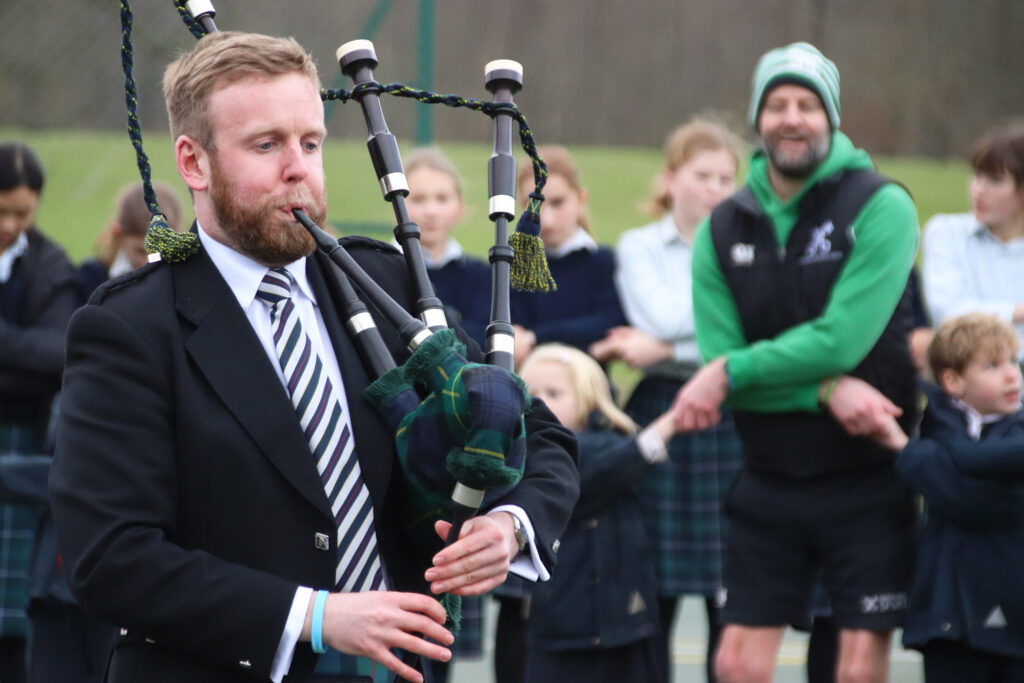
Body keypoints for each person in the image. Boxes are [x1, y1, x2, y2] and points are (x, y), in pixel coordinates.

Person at [48, 31, 578, 683]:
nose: (298, 167)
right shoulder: (129, 327)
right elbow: (111, 556)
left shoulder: (384, 284)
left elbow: (541, 434)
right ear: (194, 163)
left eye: (310, 142)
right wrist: (315, 614)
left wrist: (509, 523)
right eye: (266, 145)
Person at [670, 43, 920, 683]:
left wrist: (731, 375)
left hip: (867, 474)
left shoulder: (882, 206)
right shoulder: (722, 227)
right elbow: (723, 358)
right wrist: (824, 389)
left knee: (857, 667)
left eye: (808, 104)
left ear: (831, 117)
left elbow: (839, 339)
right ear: (758, 118)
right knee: (734, 663)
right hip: (768, 473)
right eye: (776, 104)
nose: (791, 117)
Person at [589, 118, 745, 683]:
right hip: (662, 410)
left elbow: (749, 331)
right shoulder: (637, 245)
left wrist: (663, 346)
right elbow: (664, 316)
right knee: (656, 587)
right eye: (703, 175)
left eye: (727, 177)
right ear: (671, 178)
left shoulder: (747, 246)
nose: (716, 188)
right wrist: (710, 330)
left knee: (735, 594)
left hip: (733, 410)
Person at [881, 313, 1024, 682]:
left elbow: (977, 502)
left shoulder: (1013, 435)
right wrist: (930, 458)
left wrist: (909, 453)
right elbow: (957, 489)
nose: (1012, 374)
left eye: (1013, 361)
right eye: (992, 365)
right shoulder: (936, 425)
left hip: (1014, 620)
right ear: (953, 380)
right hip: (949, 624)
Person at [519, 343, 673, 683]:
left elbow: (608, 462)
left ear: (589, 398)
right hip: (561, 622)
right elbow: (586, 473)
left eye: (554, 393)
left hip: (625, 618)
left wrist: (646, 443)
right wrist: (660, 432)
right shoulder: (528, 457)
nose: (540, 403)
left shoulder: (612, 446)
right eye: (531, 394)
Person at [0, 141, 77, 683]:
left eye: (21, 213)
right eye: (0, 209)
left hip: (21, 440)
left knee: (10, 616)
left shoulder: (51, 265)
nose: (8, 223)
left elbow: (57, 352)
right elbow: (34, 352)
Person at [509, 145, 627, 367]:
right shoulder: (515, 266)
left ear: (581, 199)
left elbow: (609, 323)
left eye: (558, 202)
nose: (548, 220)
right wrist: (589, 347)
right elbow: (514, 337)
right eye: (534, 206)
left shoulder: (603, 261)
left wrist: (536, 337)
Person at [921, 122, 1024, 353]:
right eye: (977, 176)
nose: (978, 189)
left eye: (995, 179)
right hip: (964, 381)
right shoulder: (945, 232)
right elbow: (949, 312)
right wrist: (1019, 312)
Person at [403, 147, 490, 349]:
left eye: (442, 199)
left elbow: (484, 337)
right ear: (396, 206)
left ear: (460, 206)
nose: (431, 211)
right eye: (418, 199)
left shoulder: (481, 275)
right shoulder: (375, 271)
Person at [76, 179, 184, 303]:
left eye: (160, 252)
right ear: (119, 235)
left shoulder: (185, 281)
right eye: (141, 251)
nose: (150, 262)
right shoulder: (93, 277)